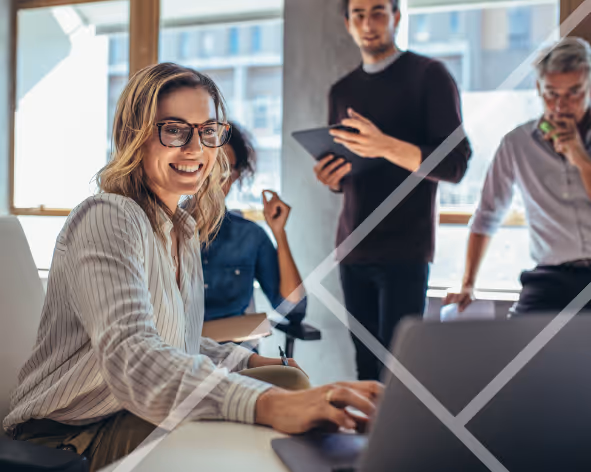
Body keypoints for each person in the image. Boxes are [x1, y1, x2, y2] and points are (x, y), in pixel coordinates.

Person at [3, 63, 381, 472]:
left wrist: (249, 362)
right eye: (174, 130)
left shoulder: (182, 228)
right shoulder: (106, 216)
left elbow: (177, 340)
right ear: (135, 136)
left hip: (129, 411)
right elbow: (135, 357)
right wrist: (268, 403)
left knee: (289, 380)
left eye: (208, 130)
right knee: (265, 417)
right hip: (72, 434)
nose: (196, 149)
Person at [313, 0, 472, 380]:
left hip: (405, 249)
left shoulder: (429, 76)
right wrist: (333, 178)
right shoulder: (341, 90)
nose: (369, 23)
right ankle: (369, 442)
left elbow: (455, 164)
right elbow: (351, 169)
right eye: (359, 14)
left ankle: (399, 442)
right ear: (349, 23)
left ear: (397, 16)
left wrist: (385, 145)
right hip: (352, 247)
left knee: (399, 373)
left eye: (378, 11)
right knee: (366, 371)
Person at [444, 37, 591, 315]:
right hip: (550, 278)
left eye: (574, 93)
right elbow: (488, 213)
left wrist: (580, 159)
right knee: (518, 347)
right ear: (538, 88)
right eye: (551, 93)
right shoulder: (516, 144)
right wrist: (467, 283)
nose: (561, 106)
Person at [202, 122, 306, 326]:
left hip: (236, 352)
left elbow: (293, 309)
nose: (216, 180)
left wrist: (279, 233)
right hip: (178, 354)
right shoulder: (161, 230)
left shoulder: (249, 236)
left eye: (226, 171)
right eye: (210, 167)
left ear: (236, 176)